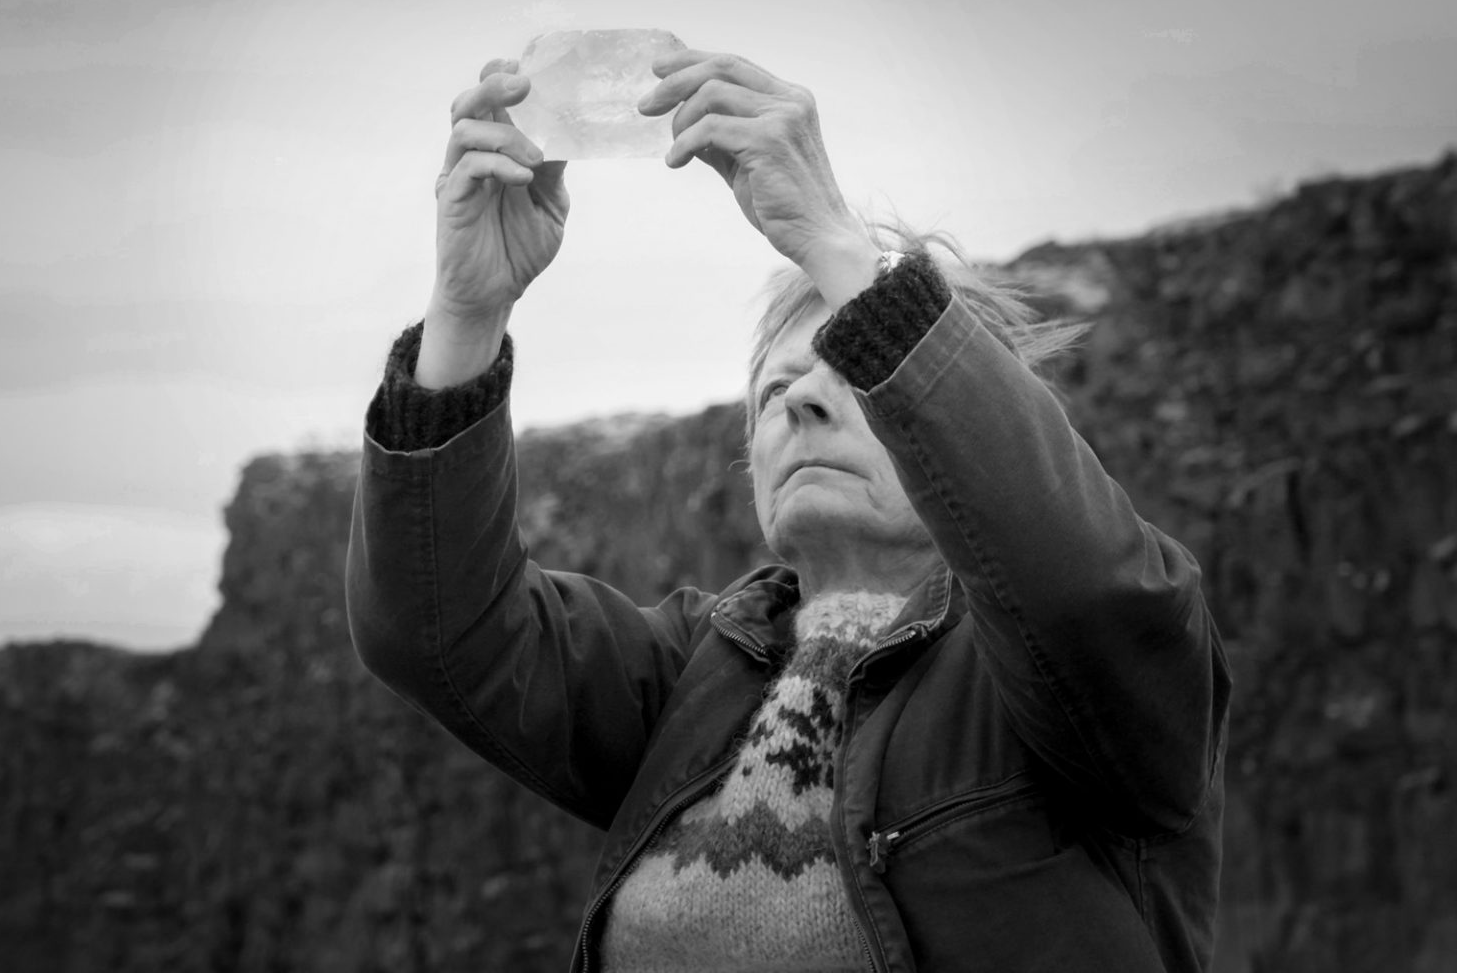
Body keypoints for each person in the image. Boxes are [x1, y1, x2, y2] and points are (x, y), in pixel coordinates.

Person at [346, 49, 1230, 972]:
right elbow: (434, 628)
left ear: (961, 417)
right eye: (774, 388)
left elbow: (1079, 589)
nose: (798, 404)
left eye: (856, 370)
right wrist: (465, 311)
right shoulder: (692, 679)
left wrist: (834, 243)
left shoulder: (1086, 683)